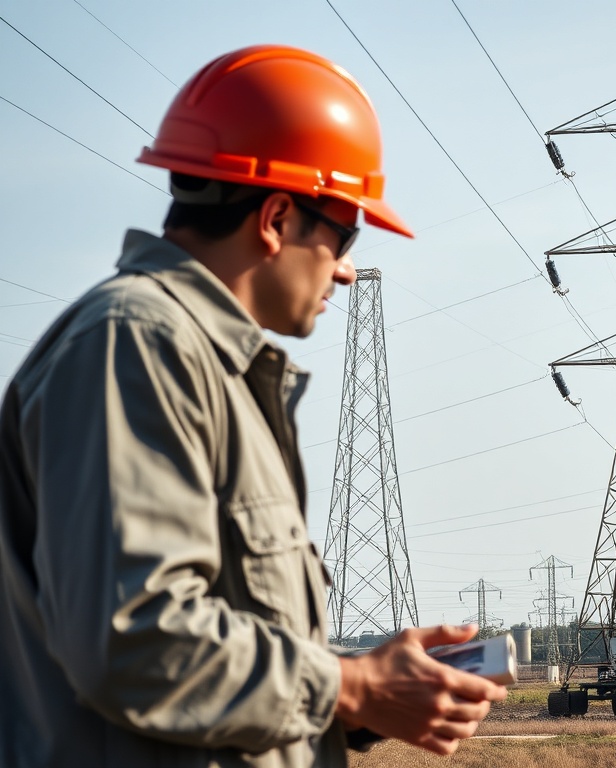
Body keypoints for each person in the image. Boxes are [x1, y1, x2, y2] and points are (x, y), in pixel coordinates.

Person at [0, 45, 506, 767]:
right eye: (344, 233)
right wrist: (349, 685)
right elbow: (132, 639)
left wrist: (371, 690)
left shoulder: (204, 365)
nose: (348, 268)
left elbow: (210, 639)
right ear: (274, 217)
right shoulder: (137, 346)